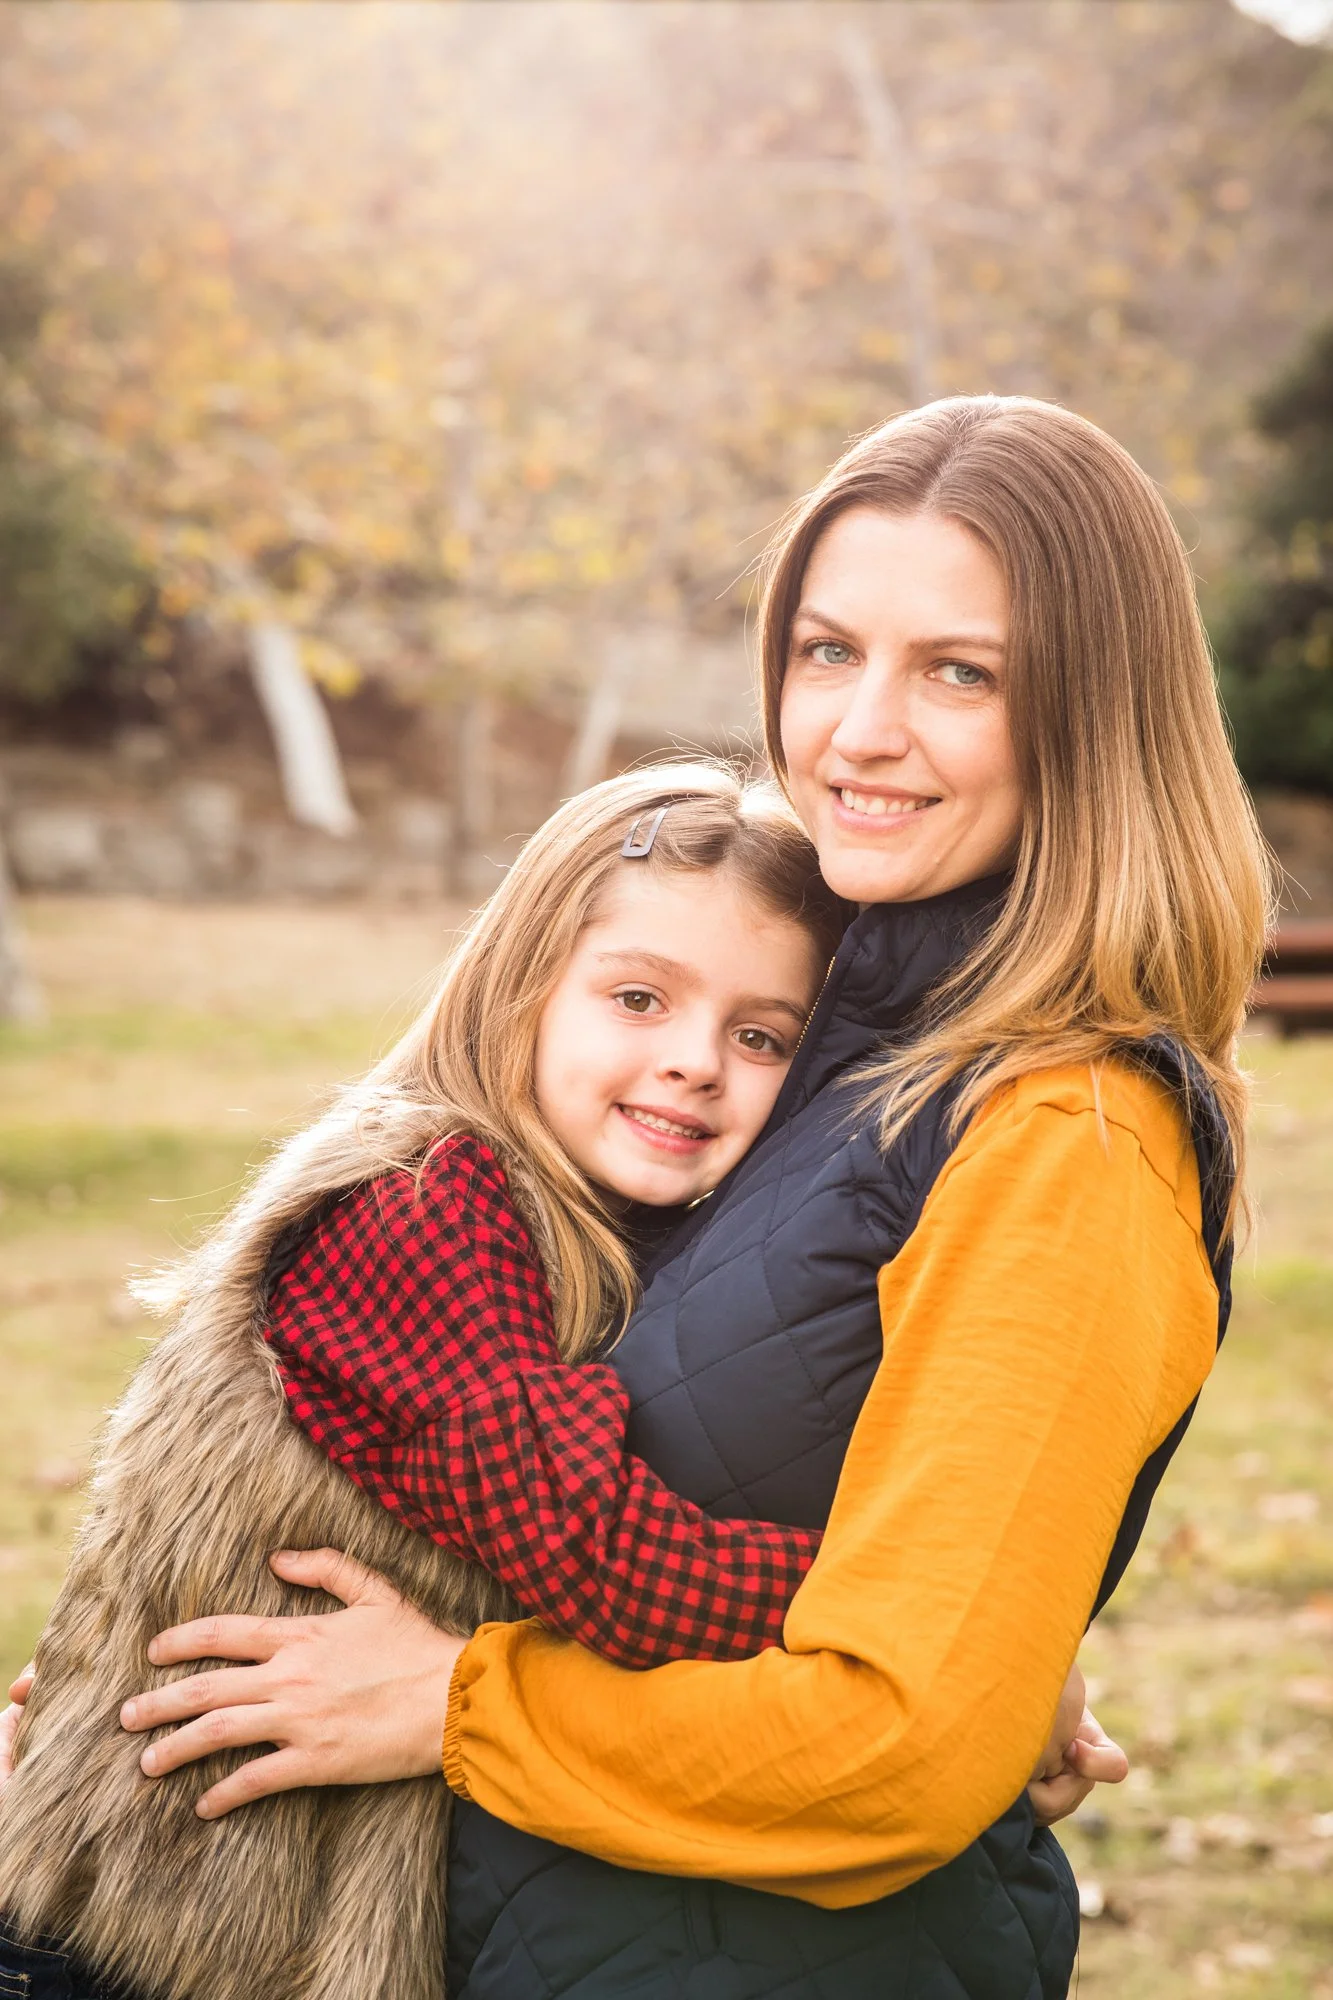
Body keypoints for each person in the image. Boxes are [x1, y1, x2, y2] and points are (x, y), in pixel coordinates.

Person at [12, 388, 1264, 1999]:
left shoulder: (1067, 1133)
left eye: (958, 673)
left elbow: (899, 1727)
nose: (859, 730)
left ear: (1093, 714)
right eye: (827, 652)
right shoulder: (850, 1043)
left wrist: (452, 1699)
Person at [0, 762, 1114, 2000]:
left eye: (759, 1036)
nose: (695, 1059)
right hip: (149, 1932)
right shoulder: (420, 1209)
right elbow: (610, 1559)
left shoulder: (603, 1226)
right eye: (638, 997)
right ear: (519, 985)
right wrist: (967, 1651)